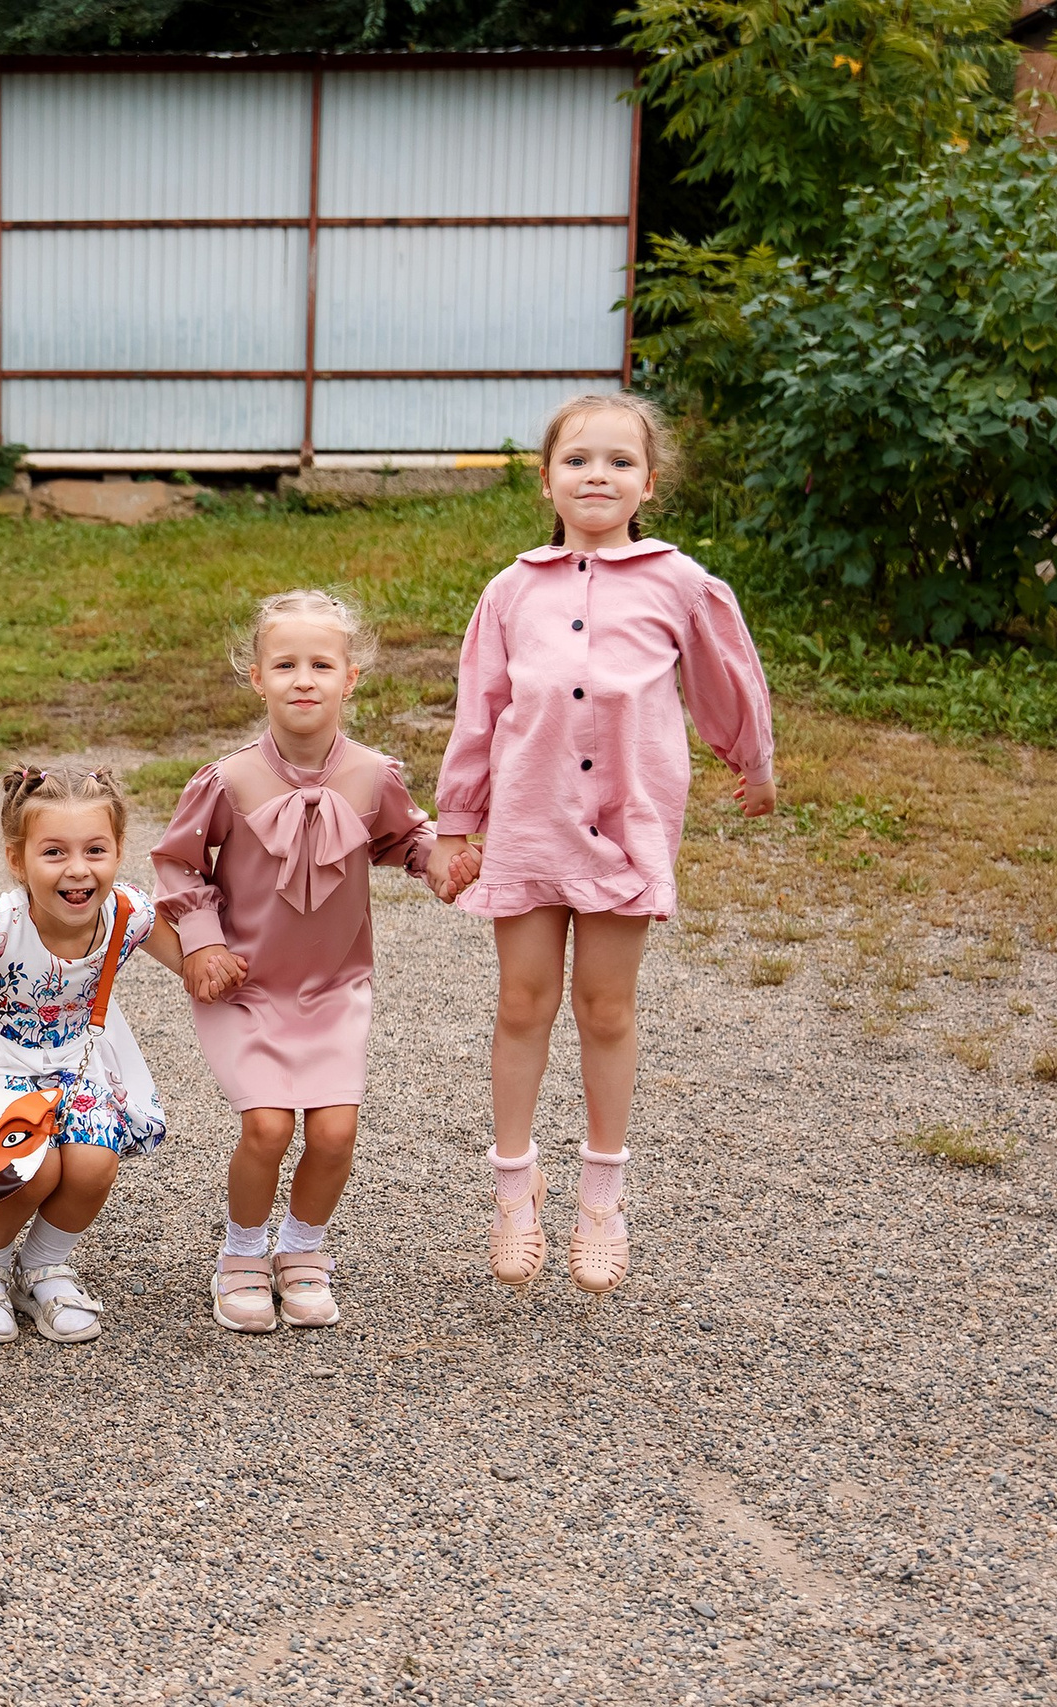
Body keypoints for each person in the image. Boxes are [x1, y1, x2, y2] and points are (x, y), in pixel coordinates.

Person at [430, 392, 775, 1295]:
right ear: (547, 478)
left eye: (620, 462)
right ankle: (514, 1188)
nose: (598, 475)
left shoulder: (678, 583)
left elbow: (724, 681)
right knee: (522, 1001)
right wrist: (459, 819)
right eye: (578, 460)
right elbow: (481, 711)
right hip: (530, 825)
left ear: (648, 484)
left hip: (626, 827)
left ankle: (601, 1198)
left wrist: (753, 759)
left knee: (606, 1008)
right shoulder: (511, 591)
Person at [151, 590, 470, 1333]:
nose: (304, 678)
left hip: (333, 985)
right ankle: (240, 1253)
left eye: (321, 664)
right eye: (285, 663)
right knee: (265, 1126)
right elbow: (176, 864)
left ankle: (303, 1249)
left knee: (332, 1133)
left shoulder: (373, 774)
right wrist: (201, 941)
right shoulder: (227, 780)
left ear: (349, 678)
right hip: (247, 984)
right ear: (257, 677)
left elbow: (405, 840)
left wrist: (441, 863)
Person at [0, 763, 186, 1346]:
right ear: (17, 860)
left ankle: (43, 1266)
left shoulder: (128, 913)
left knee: (96, 1163)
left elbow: (187, 957)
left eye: (96, 849)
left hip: (73, 1061)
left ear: (119, 850)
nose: (78, 869)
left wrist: (212, 964)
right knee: (33, 1167)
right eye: (54, 853)